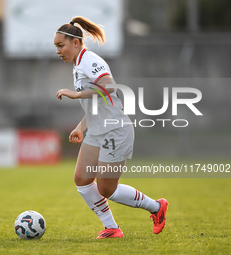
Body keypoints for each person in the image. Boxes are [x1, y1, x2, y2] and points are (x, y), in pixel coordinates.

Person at [54, 16, 168, 239]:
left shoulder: (90, 60)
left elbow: (108, 87)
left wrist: (76, 93)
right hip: (97, 131)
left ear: (76, 43)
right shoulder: (78, 67)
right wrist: (80, 127)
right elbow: (96, 104)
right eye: (56, 46)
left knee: (107, 189)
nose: (58, 51)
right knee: (82, 179)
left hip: (115, 131)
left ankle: (156, 207)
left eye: (61, 45)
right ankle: (112, 228)